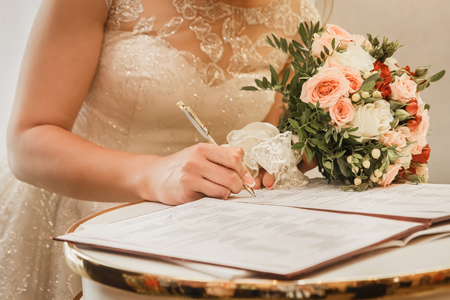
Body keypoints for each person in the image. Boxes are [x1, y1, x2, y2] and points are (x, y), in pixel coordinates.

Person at [0, 0, 320, 299]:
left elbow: (271, 137)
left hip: (208, 240)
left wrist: (289, 154)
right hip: (82, 217)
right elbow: (28, 139)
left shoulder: (295, 13)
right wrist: (156, 174)